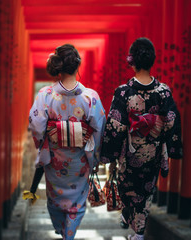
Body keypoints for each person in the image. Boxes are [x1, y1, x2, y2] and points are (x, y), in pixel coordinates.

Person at [100, 37, 183, 240]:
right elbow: (171, 119)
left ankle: (136, 228)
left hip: (129, 152)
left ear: (132, 61)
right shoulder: (164, 91)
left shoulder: (123, 92)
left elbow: (116, 125)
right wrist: (170, 146)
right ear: (152, 60)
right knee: (146, 191)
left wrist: (108, 154)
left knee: (127, 187)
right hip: (153, 151)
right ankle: (137, 228)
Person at [28, 44, 106, 240]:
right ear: (78, 65)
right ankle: (68, 234)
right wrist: (94, 155)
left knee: (55, 199)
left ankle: (62, 231)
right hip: (80, 160)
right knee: (77, 201)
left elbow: (37, 126)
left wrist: (42, 144)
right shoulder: (90, 97)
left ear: (58, 66)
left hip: (55, 159)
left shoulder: (46, 95)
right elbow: (99, 128)